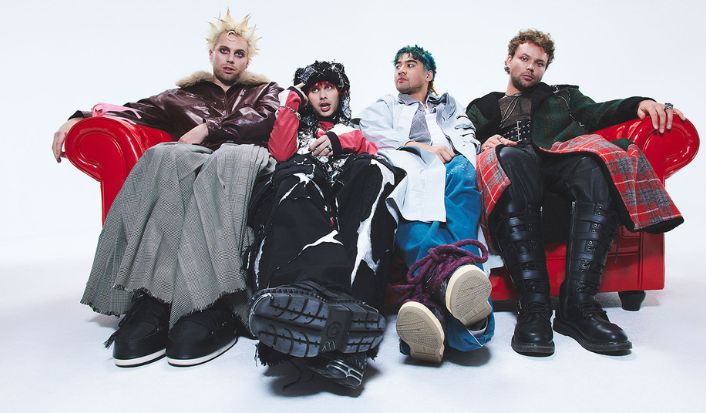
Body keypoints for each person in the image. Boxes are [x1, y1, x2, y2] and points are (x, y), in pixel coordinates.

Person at [51, 10, 281, 367]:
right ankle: (154, 297)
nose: (230, 59)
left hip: (244, 162)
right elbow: (130, 111)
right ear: (211, 52)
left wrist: (209, 129)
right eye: (224, 51)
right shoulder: (179, 97)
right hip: (196, 164)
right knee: (165, 155)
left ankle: (214, 301)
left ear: (247, 60)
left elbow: (266, 118)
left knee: (227, 160)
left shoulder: (264, 91)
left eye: (239, 54)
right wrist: (79, 118)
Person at [466, 29, 686, 356]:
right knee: (509, 157)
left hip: (558, 158)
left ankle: (579, 306)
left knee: (595, 163)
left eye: (539, 63)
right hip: (515, 164)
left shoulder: (562, 97)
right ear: (508, 60)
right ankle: (535, 307)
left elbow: (601, 112)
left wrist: (641, 103)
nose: (531, 67)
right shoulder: (484, 106)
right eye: (524, 58)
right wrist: (485, 142)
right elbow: (460, 137)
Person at [245, 61, 398, 389]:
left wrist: (341, 141)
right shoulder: (296, 125)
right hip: (306, 197)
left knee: (377, 171)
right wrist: (293, 100)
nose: (323, 95)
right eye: (314, 90)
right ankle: (307, 297)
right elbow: (280, 153)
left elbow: (372, 153)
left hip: (344, 199)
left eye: (329, 87)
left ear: (341, 92)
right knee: (297, 172)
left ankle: (355, 310)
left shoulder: (352, 129)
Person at [359, 45, 494, 364]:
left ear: (428, 74)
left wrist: (459, 151)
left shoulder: (449, 105)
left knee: (463, 177)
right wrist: (420, 147)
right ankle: (470, 327)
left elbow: (466, 133)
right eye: (397, 65)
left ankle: (431, 301)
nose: (400, 69)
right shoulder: (386, 106)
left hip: (451, 167)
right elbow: (372, 132)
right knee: (410, 205)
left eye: (410, 64)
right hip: (410, 166)